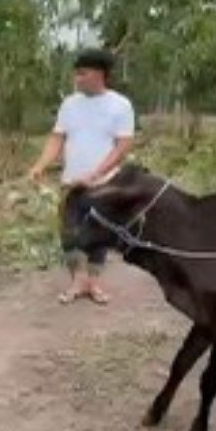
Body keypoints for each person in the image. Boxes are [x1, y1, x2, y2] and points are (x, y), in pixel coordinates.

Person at [28, 48, 136, 305]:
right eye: (77, 73)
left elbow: (123, 146)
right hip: (71, 183)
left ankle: (94, 283)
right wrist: (40, 165)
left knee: (98, 234)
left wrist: (96, 173)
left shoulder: (120, 105)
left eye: (82, 73)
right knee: (69, 233)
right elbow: (57, 137)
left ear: (100, 74)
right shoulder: (70, 104)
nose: (77, 79)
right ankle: (78, 281)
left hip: (104, 183)